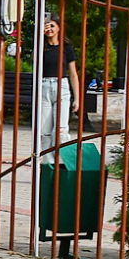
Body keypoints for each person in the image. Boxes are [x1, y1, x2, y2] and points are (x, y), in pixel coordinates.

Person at [36, 13, 82, 162]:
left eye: (52, 25)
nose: (49, 29)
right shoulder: (40, 46)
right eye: (46, 26)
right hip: (44, 87)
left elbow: (73, 74)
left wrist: (77, 98)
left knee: (61, 130)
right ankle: (47, 164)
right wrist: (39, 36)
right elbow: (34, 62)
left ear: (59, 27)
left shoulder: (66, 47)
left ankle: (63, 161)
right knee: (44, 131)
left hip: (61, 86)